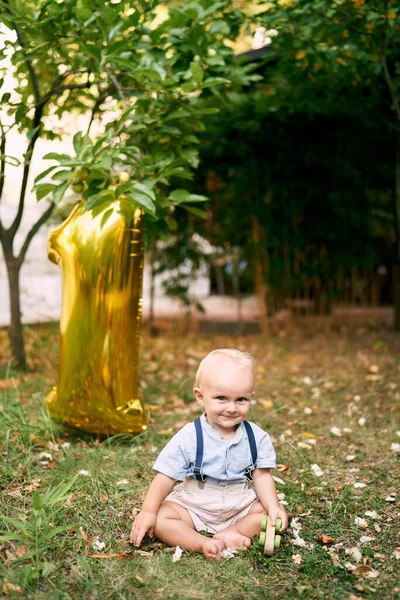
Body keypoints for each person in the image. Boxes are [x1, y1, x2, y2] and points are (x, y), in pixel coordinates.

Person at [130, 349, 288, 560]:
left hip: (238, 504)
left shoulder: (256, 437)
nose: (232, 408)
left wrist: (273, 506)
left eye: (241, 399)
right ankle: (203, 543)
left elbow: (261, 476)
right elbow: (165, 476)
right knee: (161, 518)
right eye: (221, 398)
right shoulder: (189, 436)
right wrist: (147, 511)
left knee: (269, 516)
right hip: (195, 505)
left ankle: (232, 533)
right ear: (200, 397)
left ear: (251, 397)